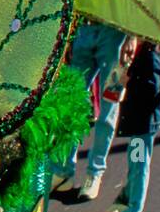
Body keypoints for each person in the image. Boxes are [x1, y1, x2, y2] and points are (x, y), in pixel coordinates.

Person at [87, 40, 160, 212]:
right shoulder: (146, 54)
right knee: (134, 164)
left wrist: (129, 82)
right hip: (140, 127)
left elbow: (151, 90)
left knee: (139, 166)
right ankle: (125, 198)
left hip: (143, 128)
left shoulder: (152, 59)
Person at [54, 20, 128, 195]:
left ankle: (94, 173)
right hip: (86, 29)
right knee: (71, 103)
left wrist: (131, 37)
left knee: (109, 107)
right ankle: (63, 169)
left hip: (115, 33)